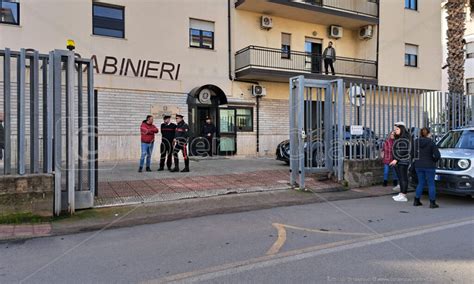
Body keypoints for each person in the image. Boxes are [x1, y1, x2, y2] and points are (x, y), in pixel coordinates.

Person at [412, 127, 441, 208]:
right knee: (431, 184)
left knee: (420, 183)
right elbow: (437, 155)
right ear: (428, 133)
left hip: (418, 165)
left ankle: (416, 201)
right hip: (429, 165)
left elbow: (412, 154)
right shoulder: (431, 142)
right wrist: (433, 160)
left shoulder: (416, 142)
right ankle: (432, 203)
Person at [390, 122, 411, 202]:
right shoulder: (399, 137)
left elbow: (403, 150)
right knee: (400, 178)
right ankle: (401, 193)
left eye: (397, 129)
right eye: (395, 129)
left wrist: (396, 159)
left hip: (403, 161)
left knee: (403, 178)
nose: (395, 131)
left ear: (402, 129)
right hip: (398, 161)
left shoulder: (405, 138)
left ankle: (403, 195)